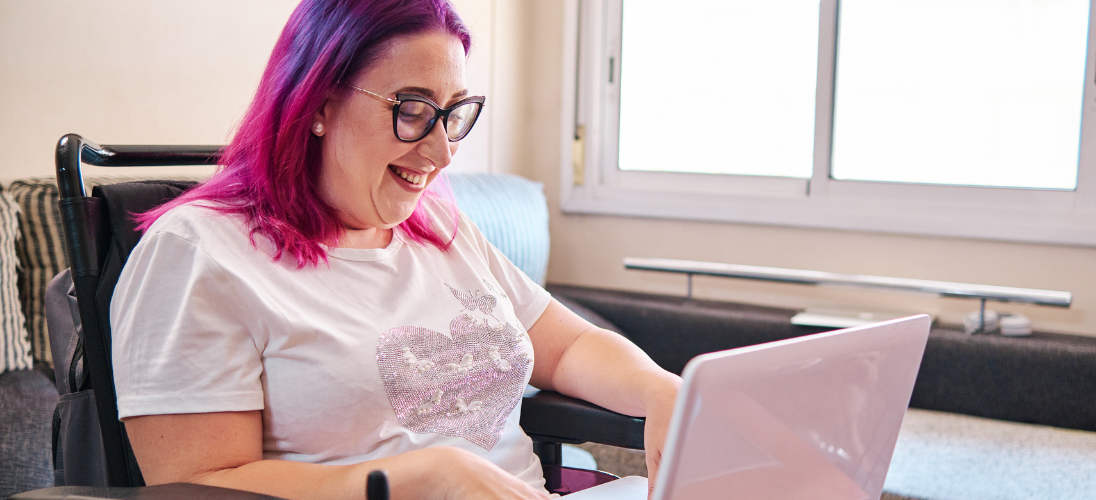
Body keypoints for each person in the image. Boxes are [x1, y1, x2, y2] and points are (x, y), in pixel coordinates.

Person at [108, 1, 681, 499]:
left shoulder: (436, 225)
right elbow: (194, 485)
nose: (443, 152)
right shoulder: (197, 253)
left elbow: (569, 345)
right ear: (317, 105)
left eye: (454, 113)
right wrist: (421, 480)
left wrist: (663, 391)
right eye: (412, 109)